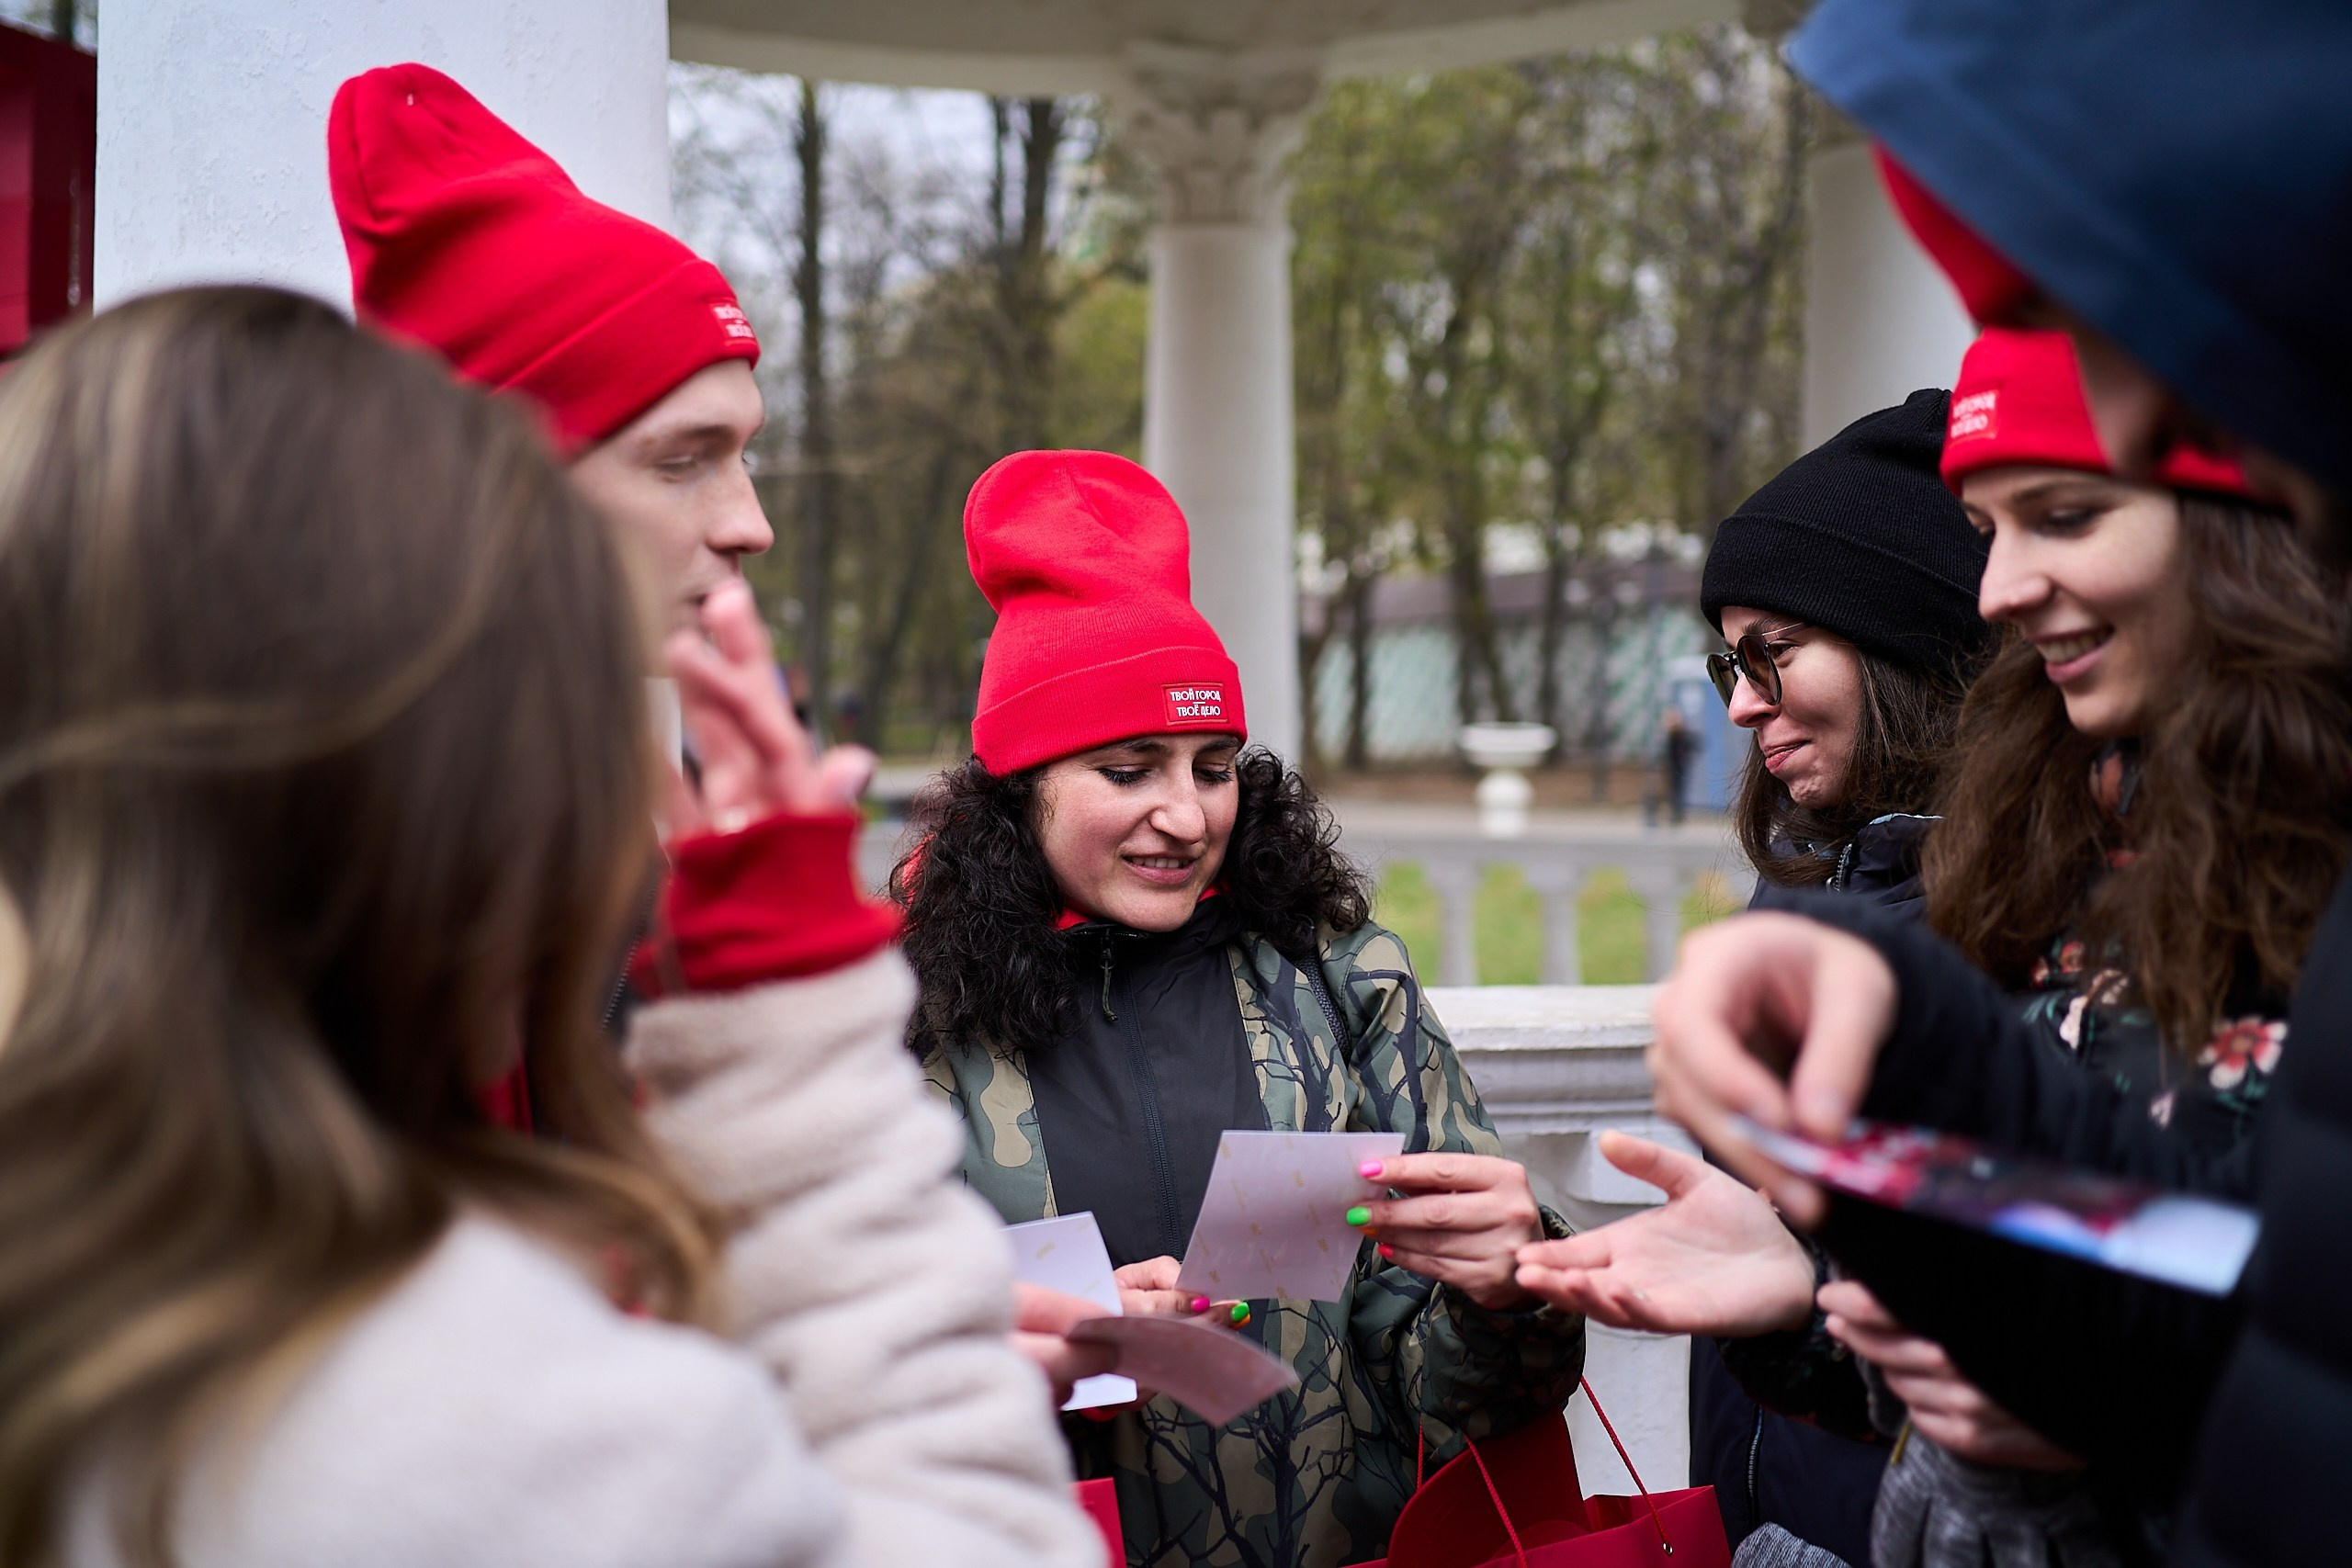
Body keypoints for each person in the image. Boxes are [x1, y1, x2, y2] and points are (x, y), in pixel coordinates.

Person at [0, 287, 1100, 1568]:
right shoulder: (456, 1414)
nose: (749, 523)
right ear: (403, 781)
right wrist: (811, 1130)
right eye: (545, 712)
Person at [1636, 6, 2352, 1557]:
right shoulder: (2055, 838)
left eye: (2068, 512)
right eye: (1985, 534)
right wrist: (1817, 1278)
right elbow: (2232, 1309)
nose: (2002, 593)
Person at [328, 63, 1117, 1393]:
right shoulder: (343, 859)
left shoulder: (595, 814)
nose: (750, 518)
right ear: (492, 473)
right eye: (684, 456)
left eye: (745, 451)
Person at [897, 450, 1586, 1568]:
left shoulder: (1338, 984)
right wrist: (1046, 1328)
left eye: (1211, 765)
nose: (1184, 815)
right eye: (1129, 769)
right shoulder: (903, 1027)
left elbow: (1443, 1386)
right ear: (1018, 790)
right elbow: (818, 1358)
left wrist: (1512, 1292)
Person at [1553, 391, 1994, 1564]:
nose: (1739, 703)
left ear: (1907, 639)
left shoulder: (2043, 918)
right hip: (1757, 1517)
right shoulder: (1804, 884)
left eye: (1773, 651)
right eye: (1727, 661)